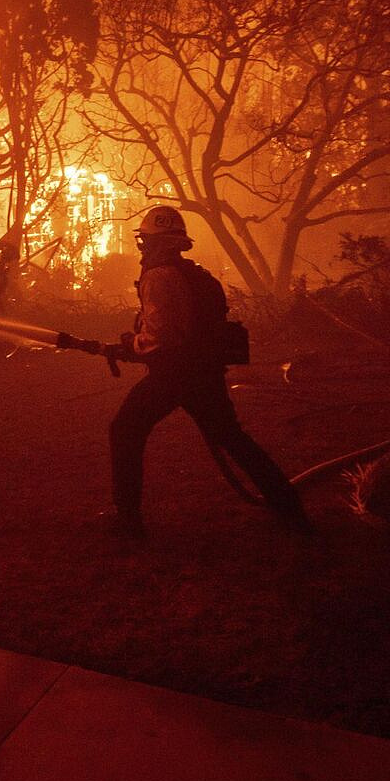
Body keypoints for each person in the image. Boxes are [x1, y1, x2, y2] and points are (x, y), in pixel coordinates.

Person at [61, 206, 305, 540]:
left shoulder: (160, 277)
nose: (143, 248)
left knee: (125, 430)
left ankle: (128, 520)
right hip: (204, 373)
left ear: (156, 243)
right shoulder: (196, 275)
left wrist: (133, 344)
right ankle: (289, 506)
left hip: (175, 375)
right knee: (232, 437)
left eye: (145, 241)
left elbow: (163, 336)